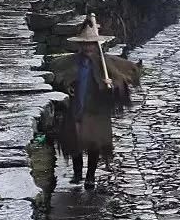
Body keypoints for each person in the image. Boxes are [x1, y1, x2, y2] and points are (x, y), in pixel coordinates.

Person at [47, 14, 141, 190]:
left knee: (95, 142)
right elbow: (56, 77)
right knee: (74, 140)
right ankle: (77, 172)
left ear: (96, 45)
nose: (88, 47)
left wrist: (113, 85)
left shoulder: (107, 63)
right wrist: (66, 88)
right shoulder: (70, 63)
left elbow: (128, 73)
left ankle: (90, 176)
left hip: (97, 109)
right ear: (79, 46)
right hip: (75, 107)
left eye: (91, 44)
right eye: (84, 44)